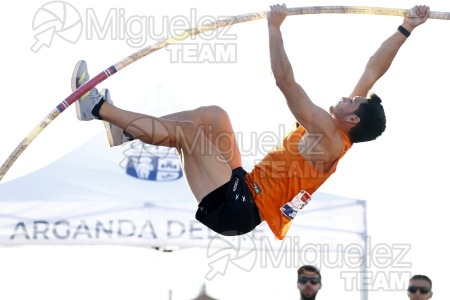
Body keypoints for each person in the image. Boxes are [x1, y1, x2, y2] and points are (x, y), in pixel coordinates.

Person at [72, 4, 430, 240]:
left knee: (190, 135)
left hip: (238, 210)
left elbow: (285, 81)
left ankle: (98, 108)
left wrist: (274, 28)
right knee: (214, 117)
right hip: (246, 185)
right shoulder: (339, 125)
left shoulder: (329, 136)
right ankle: (123, 132)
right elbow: (372, 69)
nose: (349, 94)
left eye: (354, 100)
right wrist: (405, 29)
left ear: (352, 119)